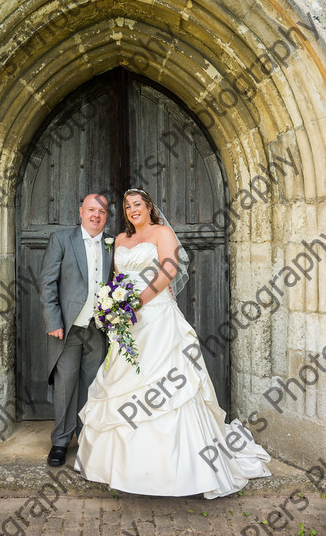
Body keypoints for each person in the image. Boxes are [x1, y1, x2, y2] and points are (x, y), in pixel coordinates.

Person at [74, 188, 271, 498]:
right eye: (127, 206)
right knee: (122, 383)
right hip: (128, 323)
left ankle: (181, 469)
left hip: (156, 317)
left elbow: (168, 268)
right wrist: (114, 306)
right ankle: (126, 468)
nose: (132, 210)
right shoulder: (121, 241)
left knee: (169, 384)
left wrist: (136, 302)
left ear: (150, 207)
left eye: (137, 204)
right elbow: (115, 280)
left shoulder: (162, 231)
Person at [40, 194, 114, 466]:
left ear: (106, 216)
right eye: (91, 210)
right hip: (68, 329)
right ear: (80, 212)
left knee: (92, 386)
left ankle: (86, 438)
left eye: (102, 211)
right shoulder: (61, 239)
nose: (96, 215)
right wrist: (53, 321)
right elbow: (47, 283)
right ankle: (60, 442)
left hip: (98, 329)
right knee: (65, 387)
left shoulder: (112, 244)